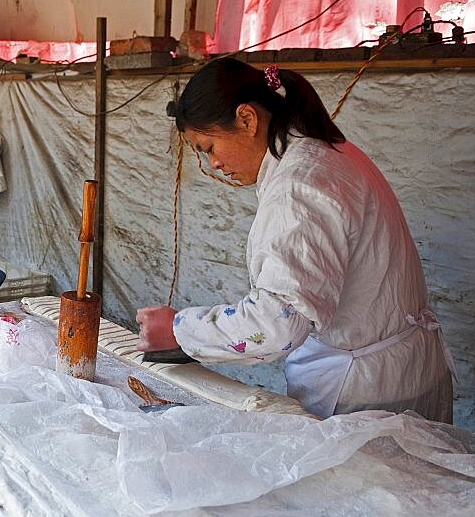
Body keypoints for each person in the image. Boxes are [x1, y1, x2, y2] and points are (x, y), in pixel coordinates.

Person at [137, 58, 454, 423]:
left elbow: (277, 324)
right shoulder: (326, 153)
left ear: (247, 119)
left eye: (208, 147)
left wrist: (180, 330)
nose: (213, 164)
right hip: (400, 369)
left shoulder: (300, 186)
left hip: (366, 394)